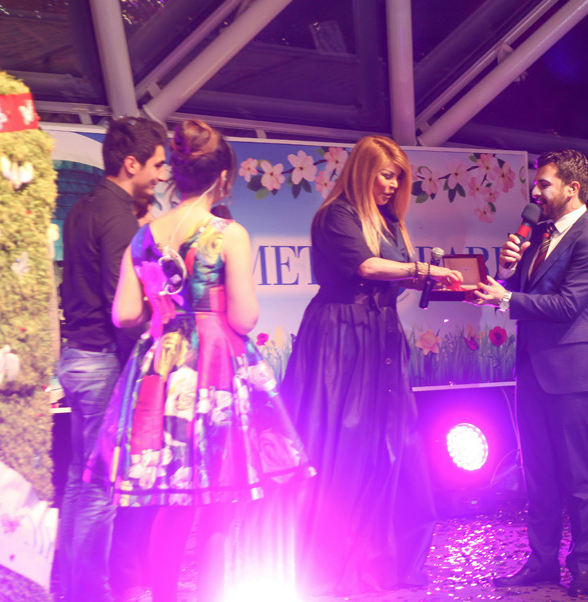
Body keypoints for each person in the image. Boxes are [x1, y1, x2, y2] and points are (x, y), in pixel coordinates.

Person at [85, 120, 312, 602]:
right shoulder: (228, 233)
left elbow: (124, 314)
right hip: (213, 370)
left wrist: (164, 308)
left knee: (174, 502)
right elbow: (245, 319)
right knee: (217, 502)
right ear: (223, 177)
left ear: (176, 174)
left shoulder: (144, 236)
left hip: (162, 371)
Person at [280, 135, 463, 596]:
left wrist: (441, 282)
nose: (392, 185)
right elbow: (365, 268)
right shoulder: (336, 215)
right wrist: (424, 271)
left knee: (392, 446)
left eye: (398, 177)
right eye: (386, 175)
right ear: (364, 171)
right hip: (342, 339)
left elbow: (395, 276)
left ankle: (386, 561)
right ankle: (330, 565)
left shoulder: (388, 220)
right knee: (344, 445)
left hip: (381, 336)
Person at [472, 149, 588, 598]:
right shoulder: (539, 234)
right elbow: (521, 292)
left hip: (571, 376)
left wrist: (506, 299)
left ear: (573, 188)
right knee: (537, 473)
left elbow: (568, 305)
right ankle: (542, 562)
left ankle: (584, 567)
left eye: (544, 184)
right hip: (532, 370)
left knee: (578, 479)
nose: (536, 192)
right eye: (536, 184)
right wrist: (507, 271)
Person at [56, 116, 168, 602]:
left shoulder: (83, 207)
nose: (162, 174)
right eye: (157, 164)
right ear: (132, 163)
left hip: (77, 358)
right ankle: (88, 592)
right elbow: (121, 306)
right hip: (101, 361)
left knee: (81, 483)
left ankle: (71, 587)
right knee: (98, 487)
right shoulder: (118, 217)